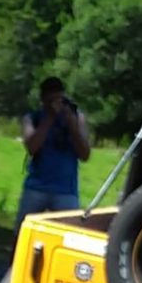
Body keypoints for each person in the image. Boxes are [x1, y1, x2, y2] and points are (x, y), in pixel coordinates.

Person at [17, 76, 92, 219]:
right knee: (23, 228)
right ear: (43, 100)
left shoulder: (76, 118)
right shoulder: (32, 118)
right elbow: (32, 148)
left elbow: (85, 155)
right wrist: (49, 118)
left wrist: (72, 126)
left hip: (66, 190)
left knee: (69, 229)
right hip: (36, 187)